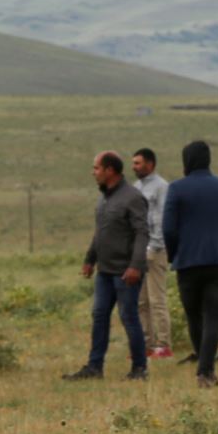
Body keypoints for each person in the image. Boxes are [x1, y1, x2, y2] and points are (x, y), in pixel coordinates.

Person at [162, 141, 218, 388]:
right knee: (213, 317)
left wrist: (173, 255)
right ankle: (206, 372)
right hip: (217, 263)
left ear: (186, 160)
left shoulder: (177, 189)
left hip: (187, 264)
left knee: (194, 316)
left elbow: (168, 229)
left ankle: (203, 363)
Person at [66, 152, 150, 381]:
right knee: (99, 315)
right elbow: (100, 233)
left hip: (126, 271)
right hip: (105, 271)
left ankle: (139, 369)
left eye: (96, 168)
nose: (93, 172)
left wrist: (135, 266)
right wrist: (89, 259)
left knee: (128, 316)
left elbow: (142, 233)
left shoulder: (132, 197)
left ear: (110, 170)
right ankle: (94, 368)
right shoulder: (104, 197)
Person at [130, 148, 174, 359]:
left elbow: (161, 219)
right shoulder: (136, 187)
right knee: (141, 301)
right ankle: (145, 344)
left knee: (157, 299)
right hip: (138, 252)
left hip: (155, 250)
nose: (134, 167)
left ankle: (163, 345)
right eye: (134, 163)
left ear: (150, 164)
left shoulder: (161, 187)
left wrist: (154, 246)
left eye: (138, 163)